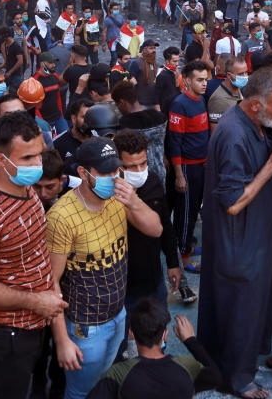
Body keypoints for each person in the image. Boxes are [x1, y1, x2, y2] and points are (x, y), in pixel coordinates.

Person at [198, 68, 272, 397]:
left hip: (255, 238)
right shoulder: (232, 134)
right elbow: (232, 202)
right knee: (240, 308)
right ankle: (237, 379)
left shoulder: (253, 123)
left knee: (250, 307)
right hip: (239, 242)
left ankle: (232, 365)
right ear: (255, 105)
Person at [0, 112, 67, 399]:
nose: (37, 165)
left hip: (35, 329)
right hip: (3, 339)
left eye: (39, 156)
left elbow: (38, 258)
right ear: (1, 161)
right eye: (27, 159)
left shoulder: (29, 192)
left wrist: (58, 330)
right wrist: (36, 301)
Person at [47, 137, 162, 399]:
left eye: (116, 170)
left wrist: (133, 201)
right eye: (105, 172)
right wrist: (63, 340)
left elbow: (155, 229)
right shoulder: (62, 217)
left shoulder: (118, 198)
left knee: (103, 382)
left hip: (118, 315)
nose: (114, 177)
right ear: (83, 173)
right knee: (80, 392)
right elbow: (50, 282)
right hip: (86, 327)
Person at [112, 130, 181, 341]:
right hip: (120, 287)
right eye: (131, 166)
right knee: (125, 344)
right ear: (118, 166)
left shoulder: (152, 181)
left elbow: (165, 226)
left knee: (157, 339)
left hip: (152, 280)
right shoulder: (108, 192)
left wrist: (172, 262)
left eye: (143, 163)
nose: (139, 170)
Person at [86, 300, 221, 399]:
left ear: (131, 334)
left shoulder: (118, 373)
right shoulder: (186, 365)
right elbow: (216, 376)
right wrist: (190, 341)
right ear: (165, 336)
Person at [168, 60, 211, 272]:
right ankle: (184, 259)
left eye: (205, 79)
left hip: (201, 166)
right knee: (185, 213)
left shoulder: (200, 100)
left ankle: (188, 244)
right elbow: (175, 142)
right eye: (199, 80)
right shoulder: (180, 104)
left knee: (194, 210)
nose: (204, 84)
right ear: (187, 80)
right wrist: (179, 175)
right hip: (186, 168)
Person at [207, 54, 247, 132]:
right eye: (240, 74)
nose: (245, 76)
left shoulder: (239, 89)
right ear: (229, 75)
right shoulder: (219, 100)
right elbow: (216, 133)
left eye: (246, 72)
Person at [33, 52, 68, 136]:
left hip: (58, 117)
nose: (54, 65)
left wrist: (61, 115)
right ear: (42, 64)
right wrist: (42, 123)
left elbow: (58, 97)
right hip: (45, 120)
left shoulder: (55, 76)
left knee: (66, 136)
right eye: (50, 63)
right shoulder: (35, 81)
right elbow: (33, 107)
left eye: (54, 62)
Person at [155, 46, 182, 113]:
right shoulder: (162, 75)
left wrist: (177, 81)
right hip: (166, 110)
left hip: (173, 107)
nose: (177, 64)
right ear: (167, 61)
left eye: (178, 61)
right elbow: (156, 96)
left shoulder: (175, 72)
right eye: (175, 61)